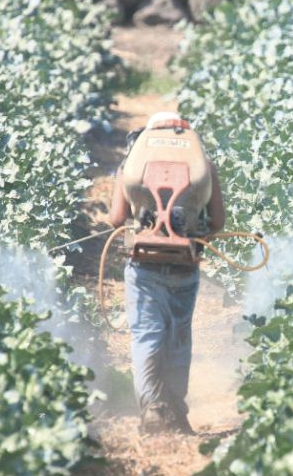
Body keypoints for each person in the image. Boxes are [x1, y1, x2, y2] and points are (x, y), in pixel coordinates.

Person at [109, 112, 226, 434]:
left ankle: (152, 411)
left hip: (144, 264)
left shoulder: (132, 163)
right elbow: (217, 222)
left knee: (148, 334)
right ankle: (176, 413)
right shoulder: (203, 165)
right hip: (184, 266)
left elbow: (117, 218)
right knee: (177, 336)